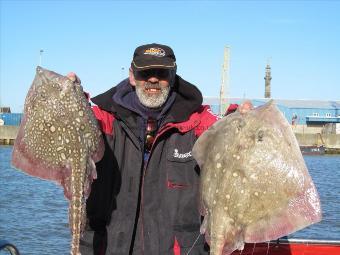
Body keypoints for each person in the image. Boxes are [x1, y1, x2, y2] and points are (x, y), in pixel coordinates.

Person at [72, 43, 219, 255]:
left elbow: (224, 130)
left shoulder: (199, 123)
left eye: (161, 72)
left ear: (173, 75)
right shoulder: (103, 119)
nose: (152, 79)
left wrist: (245, 123)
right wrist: (72, 98)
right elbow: (77, 120)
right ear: (132, 75)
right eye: (145, 72)